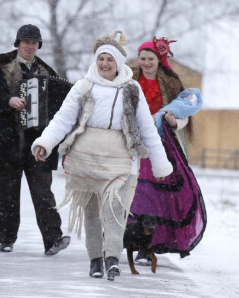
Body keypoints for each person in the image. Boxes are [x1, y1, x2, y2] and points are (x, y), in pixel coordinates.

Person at [31, 31, 174, 280]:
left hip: (120, 157)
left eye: (110, 59)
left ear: (118, 62)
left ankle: (112, 258)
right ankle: (96, 259)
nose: (105, 64)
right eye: (101, 59)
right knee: (92, 212)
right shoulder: (83, 86)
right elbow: (63, 119)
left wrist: (161, 164)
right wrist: (46, 142)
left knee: (116, 211)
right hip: (87, 157)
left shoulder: (132, 89)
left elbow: (147, 128)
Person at [0, 24, 70, 255]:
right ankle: (6, 239)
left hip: (38, 146)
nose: (30, 46)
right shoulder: (0, 67)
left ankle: (53, 239)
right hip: (8, 143)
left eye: (34, 42)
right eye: (26, 42)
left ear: (39, 46)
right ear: (17, 44)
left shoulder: (46, 71)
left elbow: (62, 104)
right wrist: (8, 101)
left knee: (43, 192)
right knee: (8, 193)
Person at [128, 37, 206, 263]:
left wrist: (173, 123)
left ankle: (146, 245)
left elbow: (183, 116)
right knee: (133, 194)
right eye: (142, 58)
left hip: (162, 146)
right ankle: (123, 239)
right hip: (134, 144)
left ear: (159, 60)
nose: (145, 62)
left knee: (153, 197)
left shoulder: (170, 82)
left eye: (150, 58)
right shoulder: (129, 79)